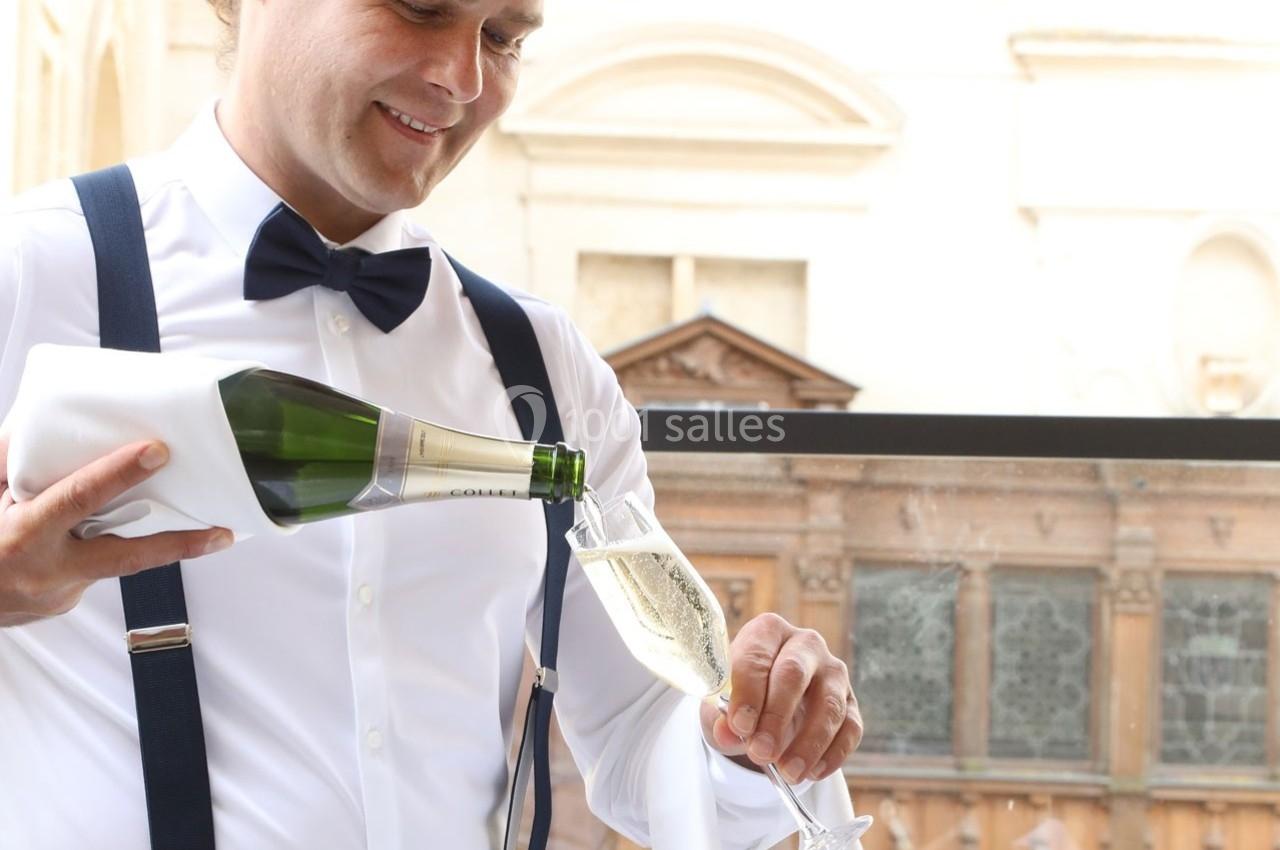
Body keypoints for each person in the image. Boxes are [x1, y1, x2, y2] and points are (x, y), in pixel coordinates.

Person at [0, 1, 865, 847]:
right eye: (419, 9)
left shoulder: (544, 366)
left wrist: (750, 737)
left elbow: (646, 745)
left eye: (504, 36)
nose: (464, 78)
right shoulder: (29, 277)